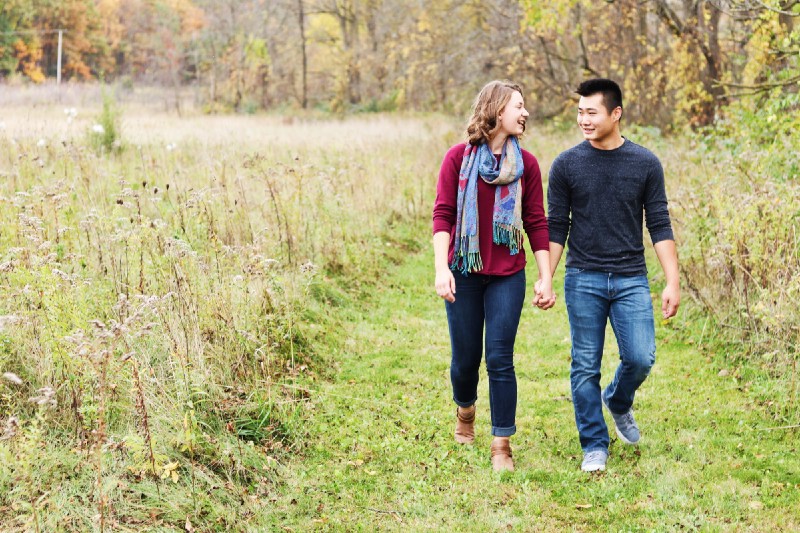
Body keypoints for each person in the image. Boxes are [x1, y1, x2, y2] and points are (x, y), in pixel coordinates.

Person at [535, 78, 680, 472]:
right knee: (585, 363)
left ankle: (616, 399)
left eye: (591, 112)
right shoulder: (566, 164)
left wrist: (672, 280)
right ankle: (594, 445)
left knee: (640, 357)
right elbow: (556, 226)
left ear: (615, 114)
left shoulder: (645, 163)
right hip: (583, 277)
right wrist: (546, 276)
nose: (583, 119)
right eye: (580, 111)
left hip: (631, 277)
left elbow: (660, 224)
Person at [433, 80, 555, 472]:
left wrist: (545, 276)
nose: (525, 113)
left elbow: (536, 221)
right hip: (464, 271)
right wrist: (441, 268)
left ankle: (501, 443)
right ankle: (465, 411)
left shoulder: (527, 165)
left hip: (507, 273)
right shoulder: (457, 159)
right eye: (519, 106)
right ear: (497, 110)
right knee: (466, 359)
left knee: (500, 358)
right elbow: (443, 216)